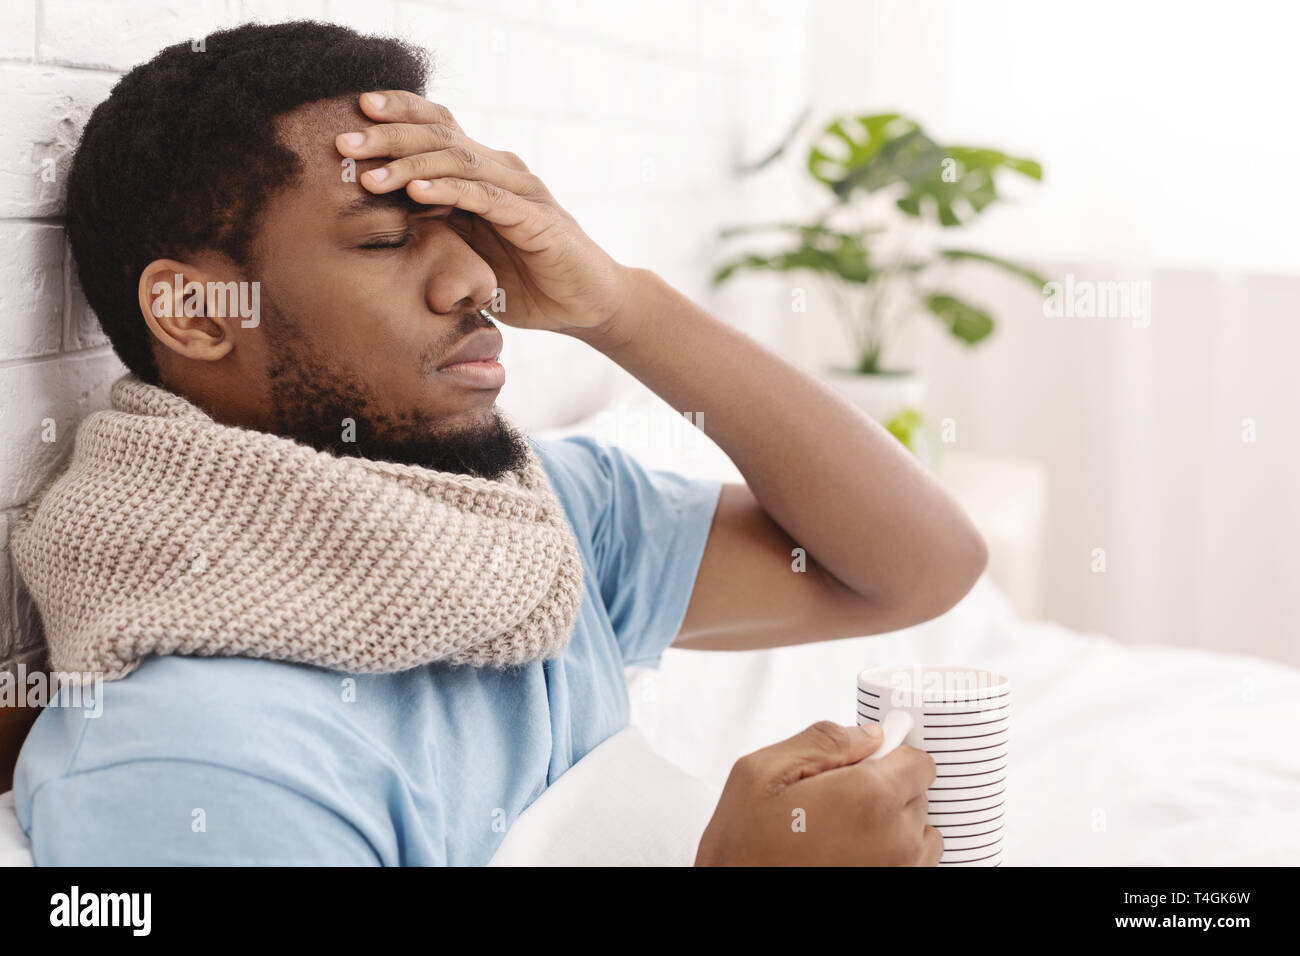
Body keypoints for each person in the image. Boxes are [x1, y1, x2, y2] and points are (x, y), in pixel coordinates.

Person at [10, 21, 985, 866]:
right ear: (196, 311)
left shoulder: (533, 523)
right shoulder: (197, 756)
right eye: (387, 240)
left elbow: (917, 568)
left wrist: (618, 304)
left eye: (468, 226)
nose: (475, 276)